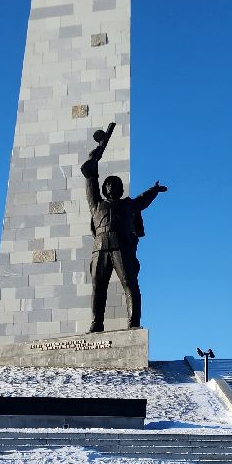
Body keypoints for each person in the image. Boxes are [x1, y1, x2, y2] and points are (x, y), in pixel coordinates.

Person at [80, 121, 167, 332]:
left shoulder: (128, 204)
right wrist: (96, 155)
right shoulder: (96, 204)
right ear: (104, 187)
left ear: (120, 188)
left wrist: (153, 191)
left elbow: (142, 201)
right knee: (98, 287)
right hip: (100, 247)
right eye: (108, 184)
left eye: (115, 184)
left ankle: (133, 322)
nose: (111, 186)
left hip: (122, 245)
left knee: (129, 283)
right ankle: (96, 323)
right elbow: (90, 174)